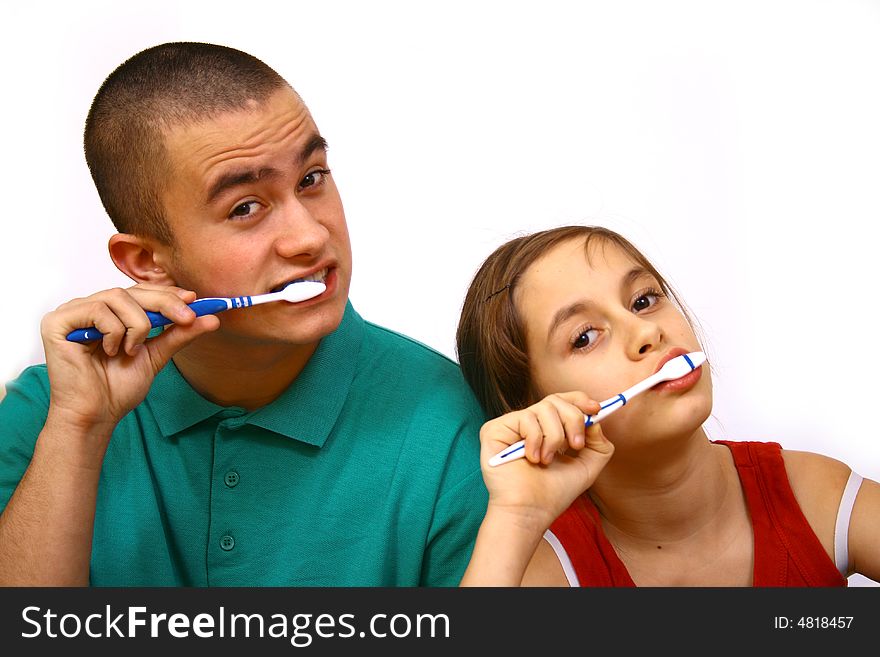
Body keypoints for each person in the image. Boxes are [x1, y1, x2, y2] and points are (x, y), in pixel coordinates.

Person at [0, 42, 487, 586]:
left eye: (311, 178)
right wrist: (80, 429)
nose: (310, 236)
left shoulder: (454, 424)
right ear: (145, 262)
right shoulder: (48, 416)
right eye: (245, 208)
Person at [455, 225, 879, 586]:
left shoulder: (813, 495)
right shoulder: (551, 570)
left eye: (643, 300)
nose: (645, 330)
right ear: (534, 409)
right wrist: (516, 516)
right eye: (584, 336)